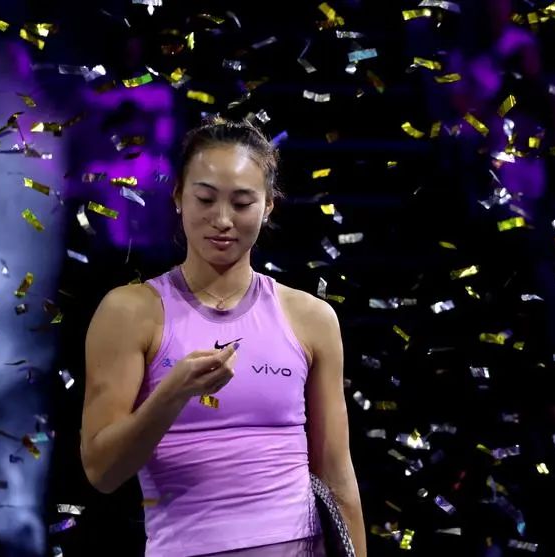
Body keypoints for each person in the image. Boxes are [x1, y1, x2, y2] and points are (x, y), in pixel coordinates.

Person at [79, 118, 367, 557]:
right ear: (178, 196)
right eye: (205, 199)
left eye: (242, 202)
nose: (222, 220)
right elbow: (102, 471)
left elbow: (337, 474)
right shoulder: (130, 313)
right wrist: (171, 394)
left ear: (268, 206)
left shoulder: (312, 318)